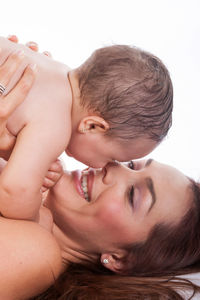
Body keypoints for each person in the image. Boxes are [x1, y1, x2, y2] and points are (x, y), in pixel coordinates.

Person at [0, 63, 199, 300]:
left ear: (120, 259)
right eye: (131, 164)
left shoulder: (36, 254)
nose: (112, 168)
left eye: (133, 195)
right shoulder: (17, 175)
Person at [0, 36, 173, 222]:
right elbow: (13, 193)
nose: (104, 166)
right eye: (112, 158)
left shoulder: (51, 67)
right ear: (92, 126)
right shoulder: (57, 124)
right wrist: (36, 213)